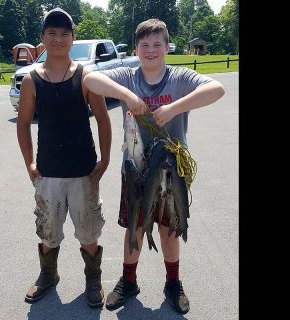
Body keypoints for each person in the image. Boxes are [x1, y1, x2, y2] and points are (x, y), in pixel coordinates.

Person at [82, 18, 225, 314]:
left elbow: (217, 88)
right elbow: (88, 79)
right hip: (135, 169)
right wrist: (127, 96)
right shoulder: (127, 75)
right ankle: (129, 280)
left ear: (168, 47)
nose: (151, 50)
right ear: (135, 49)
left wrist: (175, 107)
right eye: (144, 45)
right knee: (134, 225)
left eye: (157, 44)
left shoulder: (179, 78)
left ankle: (173, 282)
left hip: (172, 170)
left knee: (169, 228)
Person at [16, 8, 117, 308]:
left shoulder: (86, 75)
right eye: (52, 33)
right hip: (48, 172)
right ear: (42, 39)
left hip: (84, 171)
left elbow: (103, 118)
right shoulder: (32, 80)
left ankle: (93, 279)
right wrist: (30, 163)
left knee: (88, 232)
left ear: (73, 38)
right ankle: (49, 275)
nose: (58, 39)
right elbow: (23, 123)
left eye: (64, 34)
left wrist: (106, 158)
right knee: (48, 232)